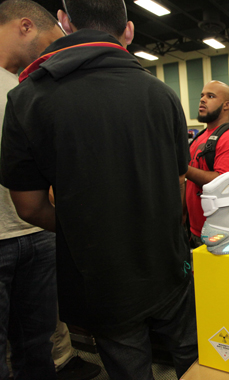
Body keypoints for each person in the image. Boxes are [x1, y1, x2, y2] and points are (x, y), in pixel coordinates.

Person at [0, 1, 198, 378]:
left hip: (101, 277)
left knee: (128, 368)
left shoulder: (28, 99)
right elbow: (176, 182)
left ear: (65, 21)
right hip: (169, 263)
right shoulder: (163, 94)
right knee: (194, 357)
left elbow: (28, 206)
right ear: (129, 31)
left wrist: (87, 229)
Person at [0, 2, 99, 380]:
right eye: (52, 41)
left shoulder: (33, 87)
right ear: (26, 26)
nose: (55, 52)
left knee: (38, 347)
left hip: (37, 234)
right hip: (10, 233)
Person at [185, 80, 229, 248]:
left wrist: (182, 168)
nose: (202, 99)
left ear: (226, 105)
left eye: (210, 96)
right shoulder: (199, 138)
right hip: (196, 231)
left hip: (224, 234)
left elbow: (225, 184)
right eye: (202, 95)